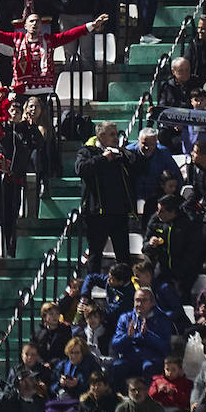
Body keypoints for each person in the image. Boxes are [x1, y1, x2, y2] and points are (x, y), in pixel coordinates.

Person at [75, 121, 141, 273]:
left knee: (123, 255)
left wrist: (123, 154)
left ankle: (126, 289)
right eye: (112, 134)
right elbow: (81, 169)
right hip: (97, 213)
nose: (116, 137)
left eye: (116, 134)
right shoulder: (88, 151)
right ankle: (90, 290)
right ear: (101, 136)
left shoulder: (121, 153)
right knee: (95, 254)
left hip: (119, 212)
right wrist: (104, 159)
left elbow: (138, 167)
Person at [109, 288, 174, 393]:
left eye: (144, 300)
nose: (139, 304)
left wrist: (148, 335)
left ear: (152, 303)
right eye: (137, 300)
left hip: (151, 360)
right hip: (130, 359)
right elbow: (115, 345)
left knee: (148, 367)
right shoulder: (125, 318)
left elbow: (166, 348)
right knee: (118, 366)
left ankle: (149, 399)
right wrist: (128, 337)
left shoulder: (162, 319)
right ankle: (119, 400)